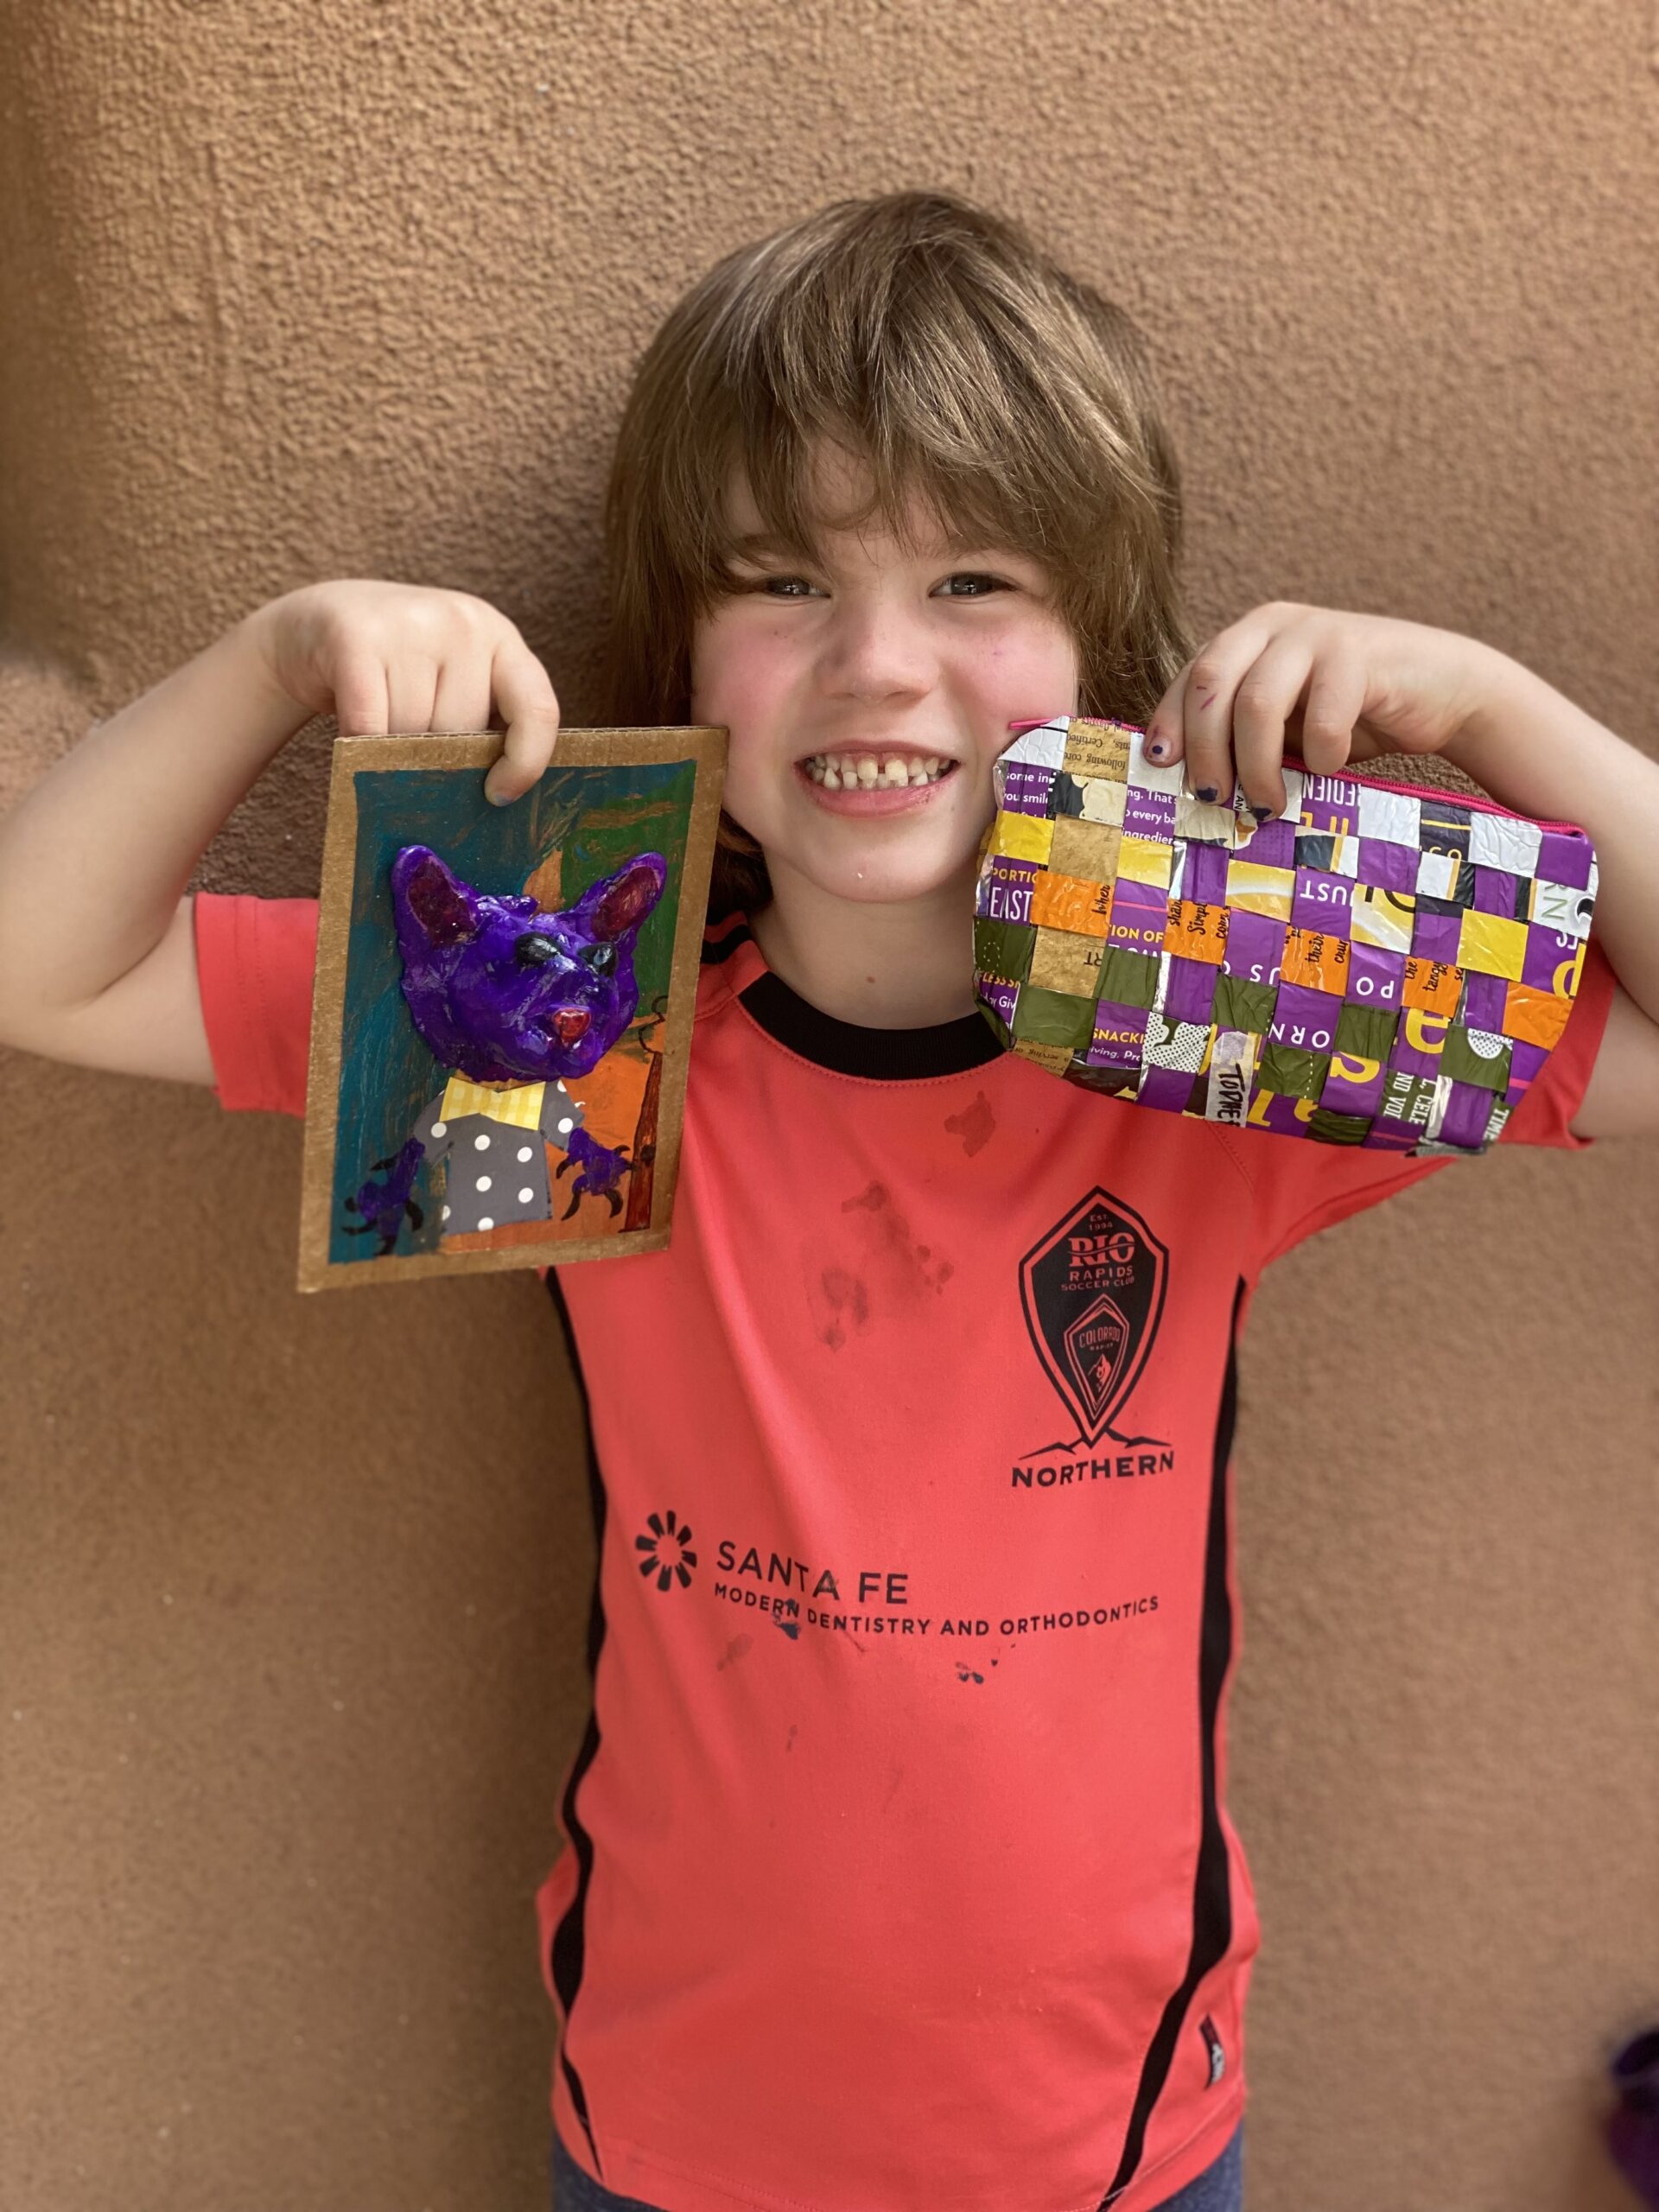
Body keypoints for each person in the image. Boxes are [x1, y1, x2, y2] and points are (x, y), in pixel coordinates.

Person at [0, 191, 1655, 2212]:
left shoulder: (1226, 1042)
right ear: (685, 643)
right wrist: (280, 658)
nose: (876, 667)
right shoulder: (569, 1026)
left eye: (973, 576)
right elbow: (44, 962)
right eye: (780, 580)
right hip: (673, 2140)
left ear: (1102, 652)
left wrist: (1492, 710)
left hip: (1117, 2146)